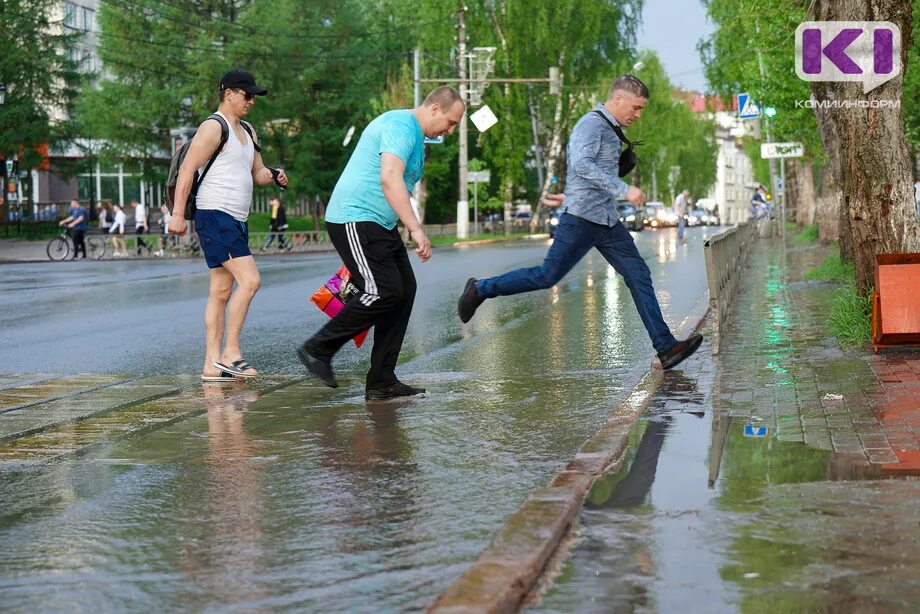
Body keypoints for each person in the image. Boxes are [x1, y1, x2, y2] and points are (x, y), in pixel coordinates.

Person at [457, 74, 702, 371]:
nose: (638, 114)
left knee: (639, 275)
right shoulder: (591, 124)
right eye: (635, 107)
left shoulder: (610, 129)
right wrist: (625, 190)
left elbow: (587, 173)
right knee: (546, 276)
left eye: (641, 109)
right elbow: (581, 165)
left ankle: (666, 348)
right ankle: (480, 289)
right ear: (618, 99)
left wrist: (567, 194)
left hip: (607, 220)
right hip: (583, 219)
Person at [297, 86, 464, 399]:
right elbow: (390, 178)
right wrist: (415, 228)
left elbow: (397, 185)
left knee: (403, 291)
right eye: (451, 122)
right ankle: (317, 350)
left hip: (378, 222)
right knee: (382, 290)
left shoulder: (415, 134)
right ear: (435, 109)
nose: (451, 131)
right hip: (354, 217)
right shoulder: (402, 127)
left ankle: (382, 381)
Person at [168, 69, 288, 382]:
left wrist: (272, 174)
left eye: (254, 96)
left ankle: (211, 365)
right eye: (247, 94)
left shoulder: (248, 131)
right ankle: (231, 353)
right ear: (229, 93)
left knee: (221, 291)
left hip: (237, 218)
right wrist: (178, 214)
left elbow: (257, 173)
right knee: (250, 281)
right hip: (214, 214)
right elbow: (186, 170)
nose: (251, 101)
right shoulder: (212, 127)